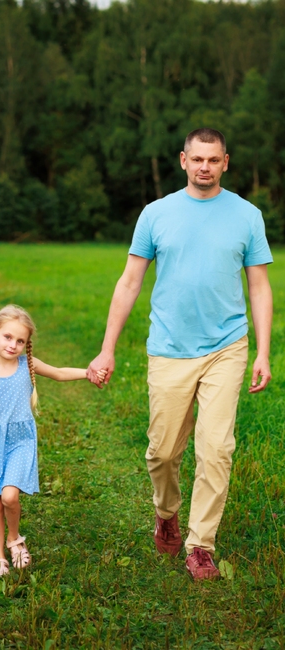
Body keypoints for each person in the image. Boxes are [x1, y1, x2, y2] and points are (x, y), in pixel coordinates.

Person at [87, 128, 273, 581]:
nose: (205, 167)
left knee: (216, 450)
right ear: (183, 160)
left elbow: (259, 286)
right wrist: (107, 349)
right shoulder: (156, 214)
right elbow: (129, 282)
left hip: (227, 346)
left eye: (214, 159)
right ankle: (166, 513)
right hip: (169, 348)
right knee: (163, 451)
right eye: (198, 159)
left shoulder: (247, 216)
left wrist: (263, 352)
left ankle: (200, 544)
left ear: (226, 162)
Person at [0, 305, 103, 576]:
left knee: (9, 496)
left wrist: (87, 373)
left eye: (20, 341)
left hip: (20, 441)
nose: (13, 345)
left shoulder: (27, 364)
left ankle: (14, 538)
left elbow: (58, 373)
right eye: (8, 337)